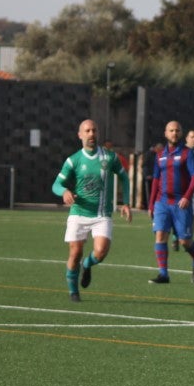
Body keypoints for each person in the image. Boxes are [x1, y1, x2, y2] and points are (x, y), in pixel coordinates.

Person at [51, 119, 132, 302]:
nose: (91, 134)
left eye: (94, 130)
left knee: (101, 251)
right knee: (75, 252)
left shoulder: (110, 157)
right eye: (87, 131)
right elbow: (56, 184)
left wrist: (126, 203)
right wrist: (64, 191)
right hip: (79, 212)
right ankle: (73, 291)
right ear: (80, 135)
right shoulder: (73, 160)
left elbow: (124, 178)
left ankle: (87, 266)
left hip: (102, 214)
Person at [148, 121, 194, 284]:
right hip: (162, 202)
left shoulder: (188, 153)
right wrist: (151, 204)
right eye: (171, 130)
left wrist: (187, 196)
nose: (174, 133)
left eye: (177, 130)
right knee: (160, 235)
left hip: (181, 203)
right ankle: (163, 274)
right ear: (165, 133)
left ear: (181, 133)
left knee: (184, 241)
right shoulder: (159, 155)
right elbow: (156, 180)